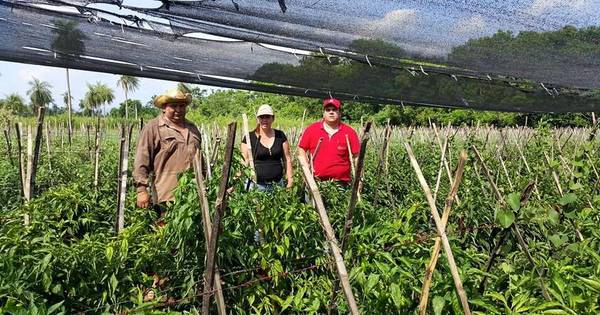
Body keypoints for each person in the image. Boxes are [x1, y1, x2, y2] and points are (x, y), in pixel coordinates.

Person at [133, 88, 201, 218]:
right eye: (173, 106)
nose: (178, 110)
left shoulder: (192, 128)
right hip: (166, 193)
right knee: (165, 229)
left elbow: (200, 158)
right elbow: (142, 160)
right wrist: (141, 190)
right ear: (164, 107)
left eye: (182, 106)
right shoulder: (153, 128)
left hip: (192, 193)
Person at [297, 98, 359, 184]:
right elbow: (301, 148)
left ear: (339, 113)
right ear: (323, 113)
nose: (331, 112)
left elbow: (357, 156)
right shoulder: (312, 129)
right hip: (314, 180)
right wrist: (305, 166)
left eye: (334, 110)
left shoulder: (349, 132)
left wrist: (359, 179)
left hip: (341, 183)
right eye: (328, 110)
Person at [241, 104, 293, 191]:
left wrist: (290, 179)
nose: (264, 120)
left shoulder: (280, 135)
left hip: (278, 185)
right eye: (261, 117)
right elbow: (244, 160)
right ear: (258, 119)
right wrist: (236, 180)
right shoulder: (249, 138)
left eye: (267, 117)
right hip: (256, 186)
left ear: (273, 118)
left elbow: (287, 158)